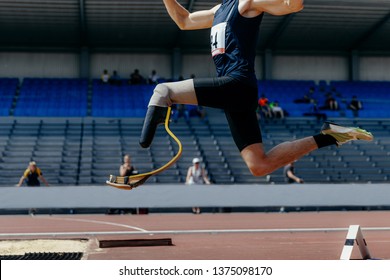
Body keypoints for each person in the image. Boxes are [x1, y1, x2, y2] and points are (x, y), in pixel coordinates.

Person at [139, 0, 373, 181]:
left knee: (163, 91)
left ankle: (145, 142)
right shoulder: (220, 9)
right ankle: (331, 136)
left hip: (237, 83)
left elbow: (292, 5)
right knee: (259, 165)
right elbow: (184, 20)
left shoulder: (247, 3)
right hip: (234, 94)